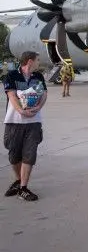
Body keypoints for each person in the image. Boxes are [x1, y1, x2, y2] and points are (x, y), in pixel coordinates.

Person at [3, 51, 47, 201]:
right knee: (14, 156)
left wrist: (38, 108)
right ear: (29, 61)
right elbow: (12, 96)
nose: (38, 63)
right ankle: (18, 180)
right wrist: (22, 111)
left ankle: (23, 188)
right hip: (14, 122)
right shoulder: (11, 76)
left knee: (29, 155)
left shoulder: (38, 77)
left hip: (33, 123)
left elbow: (44, 94)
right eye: (37, 60)